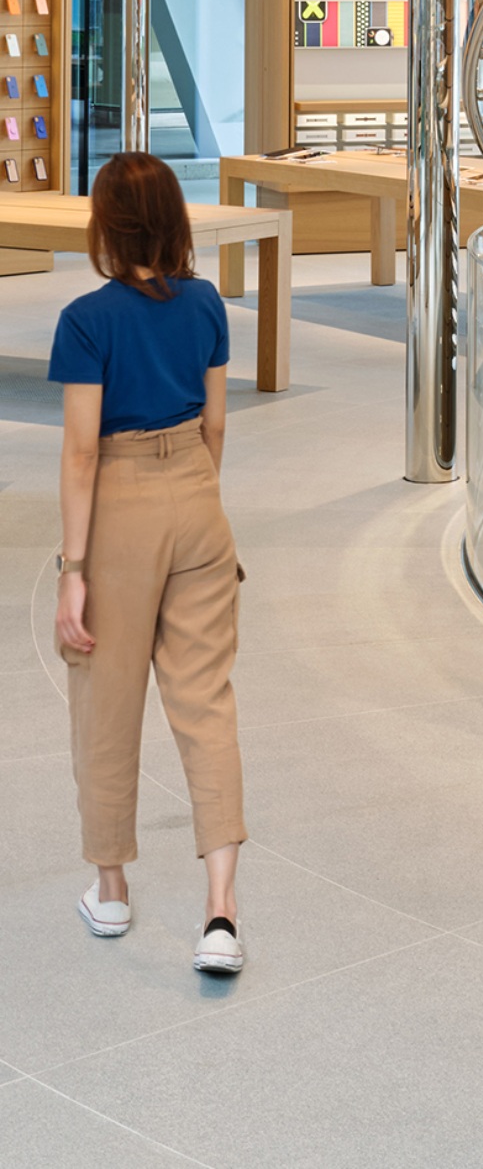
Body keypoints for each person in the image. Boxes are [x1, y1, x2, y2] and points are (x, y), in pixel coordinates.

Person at [49, 151, 247, 976]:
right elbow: (217, 426)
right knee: (207, 705)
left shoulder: (87, 320)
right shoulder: (207, 304)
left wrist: (74, 566)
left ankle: (113, 887)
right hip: (199, 503)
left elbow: (81, 453)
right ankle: (221, 914)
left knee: (107, 699)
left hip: (122, 504)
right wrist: (194, 501)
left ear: (104, 226)